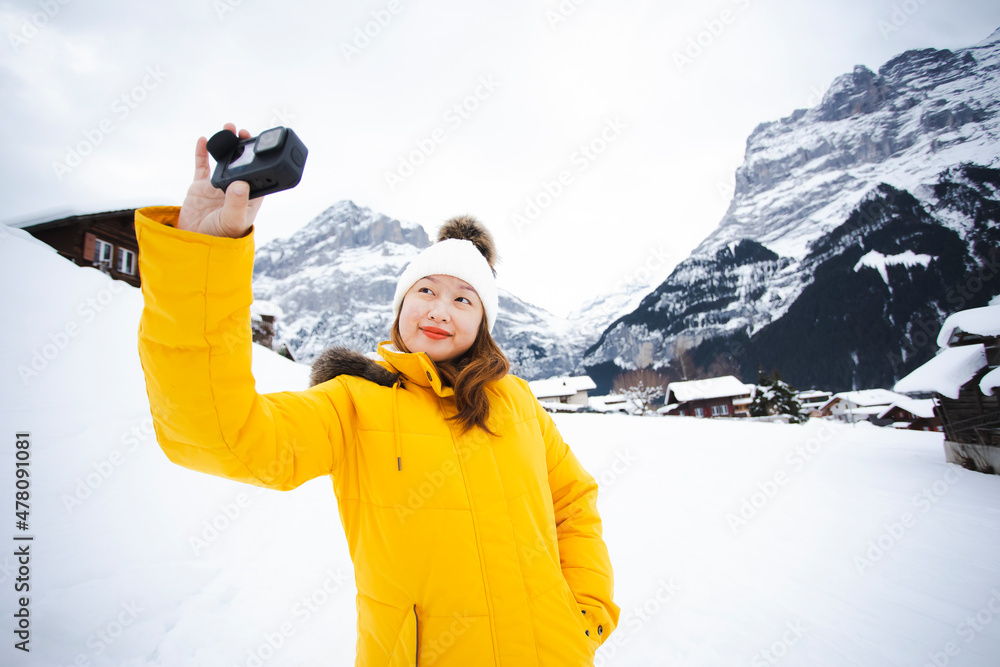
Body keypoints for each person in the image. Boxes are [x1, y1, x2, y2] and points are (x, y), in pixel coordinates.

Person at [135, 123, 620, 666]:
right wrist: (203, 256)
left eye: (464, 299)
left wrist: (583, 611)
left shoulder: (518, 402)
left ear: (484, 321)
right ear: (400, 307)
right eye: (427, 291)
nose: (440, 310)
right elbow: (220, 435)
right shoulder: (353, 402)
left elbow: (573, 505)